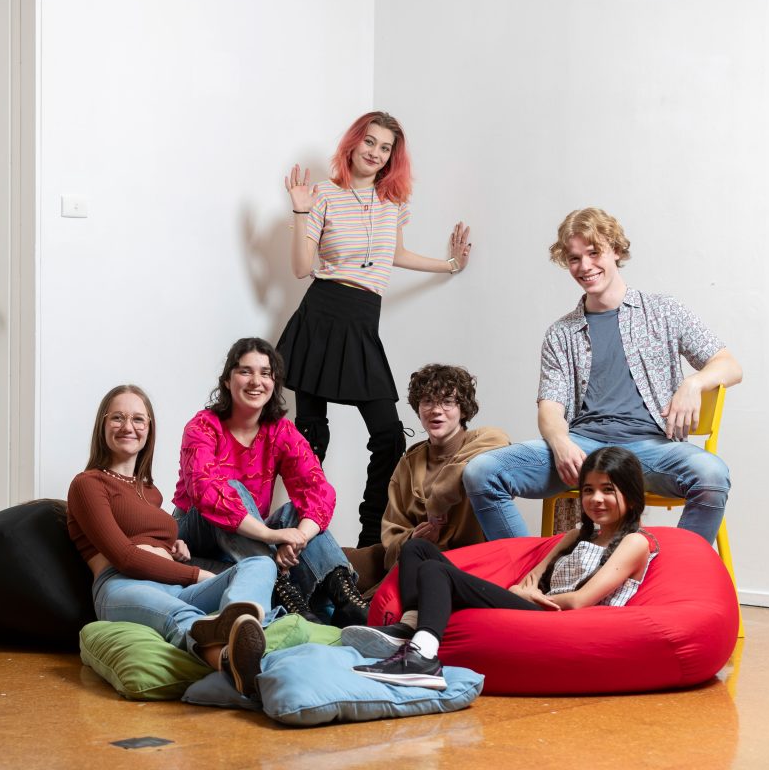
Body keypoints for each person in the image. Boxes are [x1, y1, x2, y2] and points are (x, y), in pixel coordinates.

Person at [464, 207, 743, 544]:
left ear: (615, 249)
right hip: (584, 449)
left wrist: (693, 383)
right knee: (481, 472)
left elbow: (729, 365)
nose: (584, 267)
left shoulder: (664, 311)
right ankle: (531, 575)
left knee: (712, 475)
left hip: (650, 450)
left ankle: (671, 579)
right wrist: (561, 442)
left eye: (593, 252)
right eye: (574, 258)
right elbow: (549, 408)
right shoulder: (561, 333)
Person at [279, 111, 474, 547]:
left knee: (387, 434)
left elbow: (395, 254)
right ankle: (302, 538)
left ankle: (370, 539)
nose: (375, 152)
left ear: (392, 157)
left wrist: (449, 265)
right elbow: (299, 268)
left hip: (363, 320)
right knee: (311, 435)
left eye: (385, 147)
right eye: (370, 142)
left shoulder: (393, 202)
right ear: (354, 143)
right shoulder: (323, 196)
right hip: (321, 316)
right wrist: (299, 209)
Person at [344, 447, 659, 689]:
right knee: (417, 548)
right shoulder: (579, 534)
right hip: (538, 608)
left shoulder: (634, 542)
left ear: (630, 496)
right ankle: (409, 629)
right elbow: (534, 576)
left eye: (607, 489)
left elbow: (579, 601)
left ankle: (423, 659)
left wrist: (529, 597)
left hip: (560, 621)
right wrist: (526, 590)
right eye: (588, 490)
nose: (596, 499)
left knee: (435, 571)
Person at [66, 384, 275, 698]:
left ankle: (235, 621)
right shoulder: (88, 484)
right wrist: (195, 573)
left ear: (149, 429)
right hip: (123, 585)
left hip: (176, 586)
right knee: (180, 617)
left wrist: (172, 545)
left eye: (139, 419)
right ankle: (230, 661)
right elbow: (125, 557)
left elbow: (148, 537)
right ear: (103, 425)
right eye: (117, 418)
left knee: (260, 564)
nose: (128, 427)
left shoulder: (150, 492)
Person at [172, 337, 369, 626]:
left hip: (248, 539)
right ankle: (283, 590)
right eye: (245, 371)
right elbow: (207, 494)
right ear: (227, 380)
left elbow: (318, 490)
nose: (256, 381)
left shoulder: (280, 431)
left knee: (295, 512)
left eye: (265, 373)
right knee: (232, 488)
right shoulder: (202, 426)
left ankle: (348, 599)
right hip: (196, 533)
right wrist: (273, 538)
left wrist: (297, 538)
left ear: (274, 382)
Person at [380, 364, 509, 570]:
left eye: (447, 402)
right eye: (427, 402)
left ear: (463, 409)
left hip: (476, 565)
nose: (436, 410)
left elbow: (499, 441)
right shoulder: (408, 464)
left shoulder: (486, 440)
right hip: (421, 561)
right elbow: (392, 534)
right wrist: (414, 537)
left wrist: (438, 500)